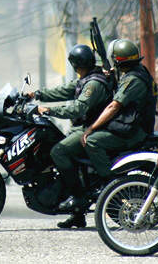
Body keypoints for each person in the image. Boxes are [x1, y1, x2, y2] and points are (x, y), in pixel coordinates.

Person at [27, 44, 112, 229]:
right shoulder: (87, 79)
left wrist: (48, 110)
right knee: (56, 144)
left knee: (58, 152)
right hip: (83, 126)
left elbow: (78, 108)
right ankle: (77, 216)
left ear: (75, 64)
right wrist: (36, 94)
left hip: (91, 129)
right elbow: (64, 90)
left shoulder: (93, 84)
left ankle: (77, 196)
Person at [80, 38, 157, 192]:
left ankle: (110, 184)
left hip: (135, 132)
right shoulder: (138, 71)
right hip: (134, 126)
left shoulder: (133, 79)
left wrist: (91, 128)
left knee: (92, 141)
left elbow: (114, 106)